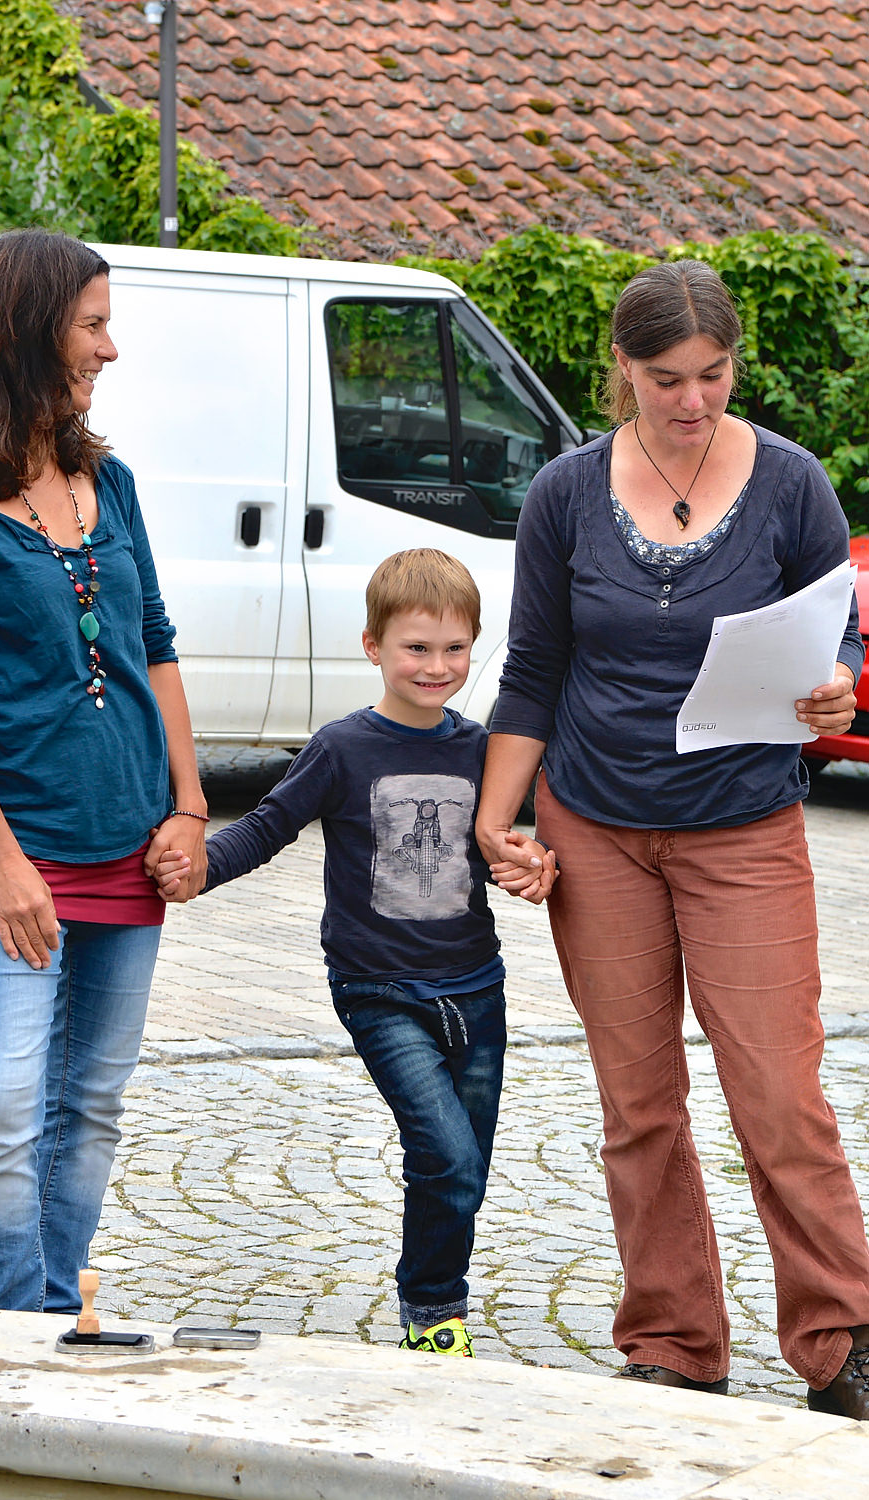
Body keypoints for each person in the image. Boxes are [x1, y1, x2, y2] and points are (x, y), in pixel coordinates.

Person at [475, 259, 869, 1417]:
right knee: (637, 1103)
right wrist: (499, 818)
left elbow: (831, 657)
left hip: (743, 830)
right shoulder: (562, 494)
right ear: (621, 371)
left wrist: (838, 693)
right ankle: (672, 1338)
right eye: (665, 380)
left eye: (712, 376)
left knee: (777, 1093)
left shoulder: (795, 488)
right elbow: (534, 672)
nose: (691, 401)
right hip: (596, 830)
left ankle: (843, 1341)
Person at [0, 228, 208, 1314]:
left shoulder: (104, 482)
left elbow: (154, 643)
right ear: (26, 333)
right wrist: (6, 862)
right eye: (93, 324)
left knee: (93, 1106)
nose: (110, 350)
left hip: (128, 846)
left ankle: (56, 1311)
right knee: (7, 1106)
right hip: (8, 861)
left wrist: (192, 806)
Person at [159, 550, 534, 1355]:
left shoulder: (483, 750)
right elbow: (267, 827)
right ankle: (433, 1313)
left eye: (453, 649)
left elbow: (514, 843)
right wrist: (200, 870)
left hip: (476, 989)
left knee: (461, 1167)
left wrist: (533, 866)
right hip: (377, 990)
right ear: (372, 646)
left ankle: (438, 1307)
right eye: (415, 648)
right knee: (444, 1151)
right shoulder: (341, 748)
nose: (436, 667)